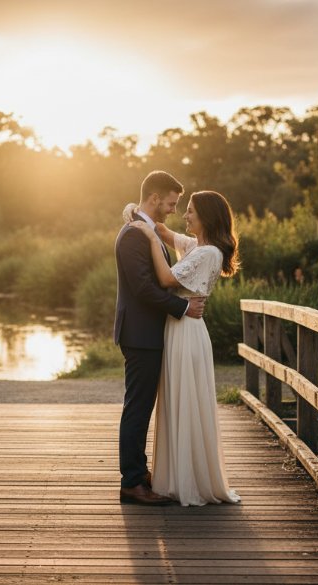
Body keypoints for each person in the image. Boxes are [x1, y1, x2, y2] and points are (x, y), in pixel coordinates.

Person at [127, 190, 242, 506]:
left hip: (187, 331)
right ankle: (178, 473)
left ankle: (189, 479)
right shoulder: (197, 247)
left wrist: (149, 239)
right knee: (179, 400)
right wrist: (136, 214)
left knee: (186, 400)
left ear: (206, 216)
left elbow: (165, 279)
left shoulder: (207, 254)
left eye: (190, 211)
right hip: (180, 328)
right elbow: (165, 231)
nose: (185, 215)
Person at [114, 171, 206, 506]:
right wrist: (183, 307)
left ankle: (139, 473)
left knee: (142, 405)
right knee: (137, 407)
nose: (171, 209)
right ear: (154, 198)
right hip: (140, 334)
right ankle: (132, 482)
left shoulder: (146, 230)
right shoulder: (133, 236)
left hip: (147, 332)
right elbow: (143, 288)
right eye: (170, 202)